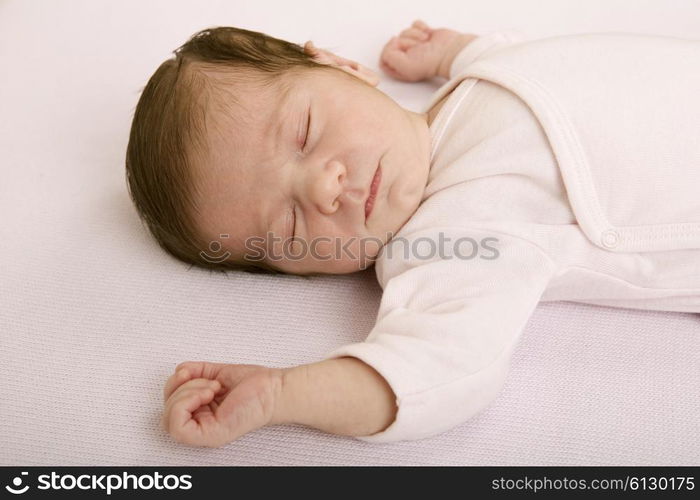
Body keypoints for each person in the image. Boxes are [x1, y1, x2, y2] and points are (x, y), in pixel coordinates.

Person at [125, 21, 700, 447]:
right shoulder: (454, 241)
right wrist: (283, 394)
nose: (326, 187)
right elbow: (436, 368)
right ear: (305, 269)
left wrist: (454, 52)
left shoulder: (475, 83)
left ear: (341, 66)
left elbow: (529, 62)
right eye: (291, 224)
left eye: (304, 131)